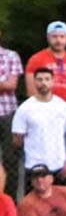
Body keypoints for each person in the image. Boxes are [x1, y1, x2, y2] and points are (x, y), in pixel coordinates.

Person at [12, 67, 66, 186]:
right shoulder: (24, 108)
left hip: (60, 166)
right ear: (34, 82)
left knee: (62, 204)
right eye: (39, 79)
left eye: (47, 79)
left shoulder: (63, 107)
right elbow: (18, 139)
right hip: (34, 166)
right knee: (33, 204)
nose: (43, 82)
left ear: (53, 81)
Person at [24, 21, 66, 109]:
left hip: (65, 110)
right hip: (41, 109)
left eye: (62, 36)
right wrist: (44, 108)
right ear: (48, 37)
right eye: (54, 36)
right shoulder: (35, 59)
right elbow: (31, 91)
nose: (58, 40)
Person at [0, 30, 22, 199]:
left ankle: (10, 204)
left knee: (10, 160)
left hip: (7, 114)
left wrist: (6, 84)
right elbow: (5, 84)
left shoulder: (10, 56)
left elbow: (11, 85)